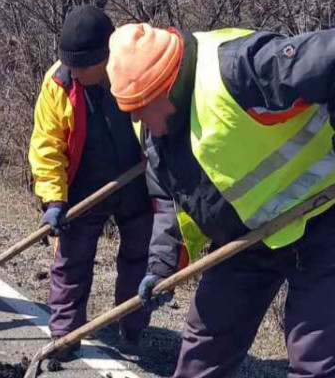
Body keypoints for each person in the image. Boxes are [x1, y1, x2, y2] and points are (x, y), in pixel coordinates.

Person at [106, 23, 335, 377]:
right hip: (249, 238)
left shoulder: (241, 68)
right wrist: (161, 266)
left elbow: (328, 55)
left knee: (315, 357)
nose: (134, 118)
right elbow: (173, 200)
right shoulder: (153, 127)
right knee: (206, 337)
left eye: (138, 107)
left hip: (324, 219)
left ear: (167, 88)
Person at [28, 6, 153, 358]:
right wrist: (53, 200)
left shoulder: (136, 71)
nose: (76, 72)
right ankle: (64, 337)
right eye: (72, 65)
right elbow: (46, 145)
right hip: (84, 184)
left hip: (137, 181)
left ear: (106, 56)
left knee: (139, 259)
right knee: (72, 260)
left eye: (84, 66)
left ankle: (131, 327)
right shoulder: (59, 83)